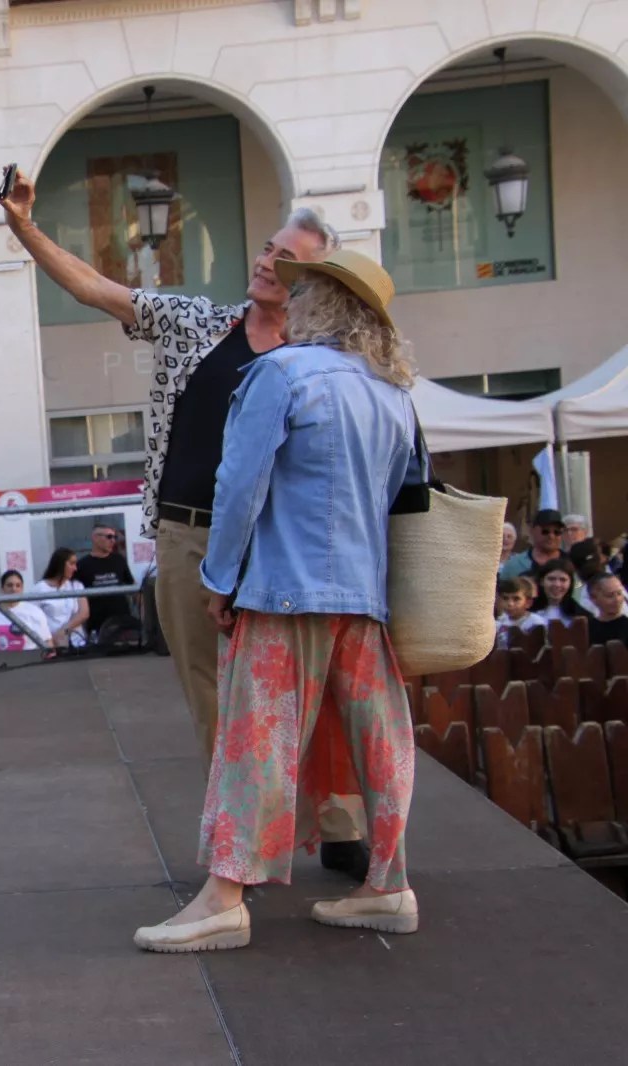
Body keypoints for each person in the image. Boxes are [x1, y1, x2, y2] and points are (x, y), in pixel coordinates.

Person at [3, 171, 338, 773]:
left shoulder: (319, 360)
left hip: (278, 543)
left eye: (285, 259)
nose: (266, 263)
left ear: (313, 281)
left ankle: (311, 815)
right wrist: (24, 227)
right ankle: (237, 823)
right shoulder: (198, 323)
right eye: (268, 247)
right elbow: (95, 289)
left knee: (295, 691)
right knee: (210, 696)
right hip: (188, 538)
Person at [135, 249, 418, 953]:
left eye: (303, 291)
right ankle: (389, 883)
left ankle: (225, 897)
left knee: (255, 739)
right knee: (379, 741)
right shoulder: (393, 392)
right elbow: (401, 496)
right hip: (363, 591)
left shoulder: (281, 372)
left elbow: (239, 485)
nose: (290, 301)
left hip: (283, 587)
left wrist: (220, 578)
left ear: (321, 304)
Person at [74, 525, 136, 642]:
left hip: (121, 621)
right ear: (95, 538)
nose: (113, 541)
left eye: (114, 537)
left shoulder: (119, 560)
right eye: (109, 537)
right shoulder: (82, 564)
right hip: (97, 624)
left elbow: (132, 586)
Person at [0, 571, 52, 651]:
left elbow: (47, 641)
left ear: (22, 589)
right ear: (2, 588)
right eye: (9, 585)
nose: (14, 589)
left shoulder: (34, 611)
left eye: (18, 585)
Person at [35, 547, 90, 648]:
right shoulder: (39, 589)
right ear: (60, 564)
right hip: (52, 644)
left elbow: (84, 613)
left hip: (77, 642)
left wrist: (63, 631)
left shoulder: (76, 585)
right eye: (71, 564)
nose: (75, 568)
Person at [499, 509, 567, 580]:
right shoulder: (513, 566)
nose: (551, 536)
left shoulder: (572, 563)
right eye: (545, 531)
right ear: (532, 530)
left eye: (557, 532)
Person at [495, 579, 546, 648]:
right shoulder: (500, 622)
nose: (510, 604)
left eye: (516, 599)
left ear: (528, 603)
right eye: (505, 598)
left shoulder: (536, 623)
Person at [532, 559, 585, 624]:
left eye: (563, 580)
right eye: (551, 579)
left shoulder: (580, 615)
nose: (557, 584)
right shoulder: (527, 609)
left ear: (570, 583)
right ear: (541, 581)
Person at [587, 573, 628, 647]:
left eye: (619, 593)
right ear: (593, 598)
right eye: (610, 595)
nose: (617, 599)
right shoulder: (587, 629)